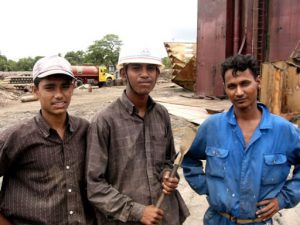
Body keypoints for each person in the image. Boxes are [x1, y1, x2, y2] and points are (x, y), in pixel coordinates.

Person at [182, 54, 300, 225]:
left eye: (245, 83)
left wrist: (283, 199)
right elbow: (189, 159)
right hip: (218, 220)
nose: (238, 92)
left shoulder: (284, 131)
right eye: (232, 86)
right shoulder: (212, 127)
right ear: (225, 88)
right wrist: (209, 188)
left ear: (258, 81)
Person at [86, 45, 189, 225]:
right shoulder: (104, 121)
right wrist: (137, 211)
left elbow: (168, 160)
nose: (145, 74)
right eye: (136, 68)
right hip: (124, 220)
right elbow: (94, 185)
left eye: (151, 68)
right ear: (123, 74)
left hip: (164, 216)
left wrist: (167, 175)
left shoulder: (161, 114)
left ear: (158, 74)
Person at [0, 55, 94, 225]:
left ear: (73, 88)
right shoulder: (17, 137)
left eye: (65, 86)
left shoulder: (85, 130)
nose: (59, 95)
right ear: (35, 91)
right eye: (50, 88)